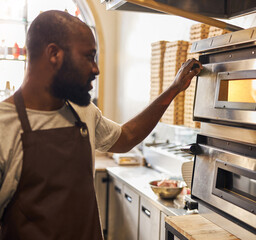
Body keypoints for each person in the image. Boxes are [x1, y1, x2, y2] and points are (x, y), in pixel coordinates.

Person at [0, 10, 202, 240]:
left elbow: (127, 136)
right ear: (53, 53)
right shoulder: (4, 126)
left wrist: (174, 89)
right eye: (88, 56)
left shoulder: (82, 111)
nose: (95, 69)